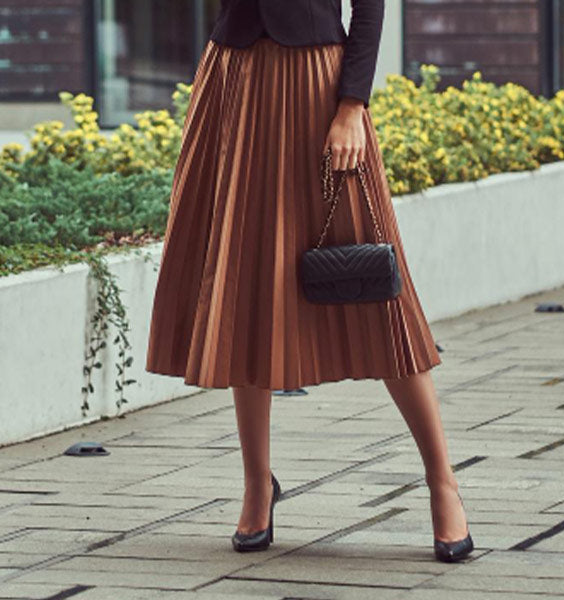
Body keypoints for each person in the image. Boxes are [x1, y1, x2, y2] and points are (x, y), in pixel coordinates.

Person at [144, 0, 473, 562]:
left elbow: (369, 9)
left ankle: (443, 482)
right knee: (243, 283)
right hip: (235, 82)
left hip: (317, 89)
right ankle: (257, 485)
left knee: (382, 298)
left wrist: (352, 106)